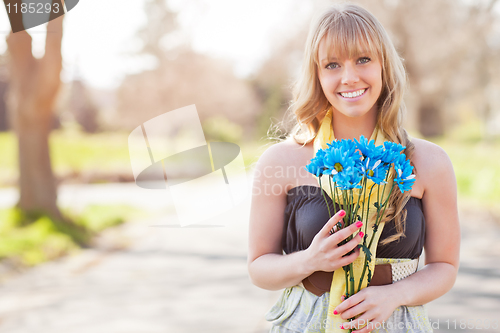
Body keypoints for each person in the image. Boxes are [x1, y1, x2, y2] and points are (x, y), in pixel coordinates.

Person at [247, 3, 460, 333]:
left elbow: (445, 266)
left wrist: (395, 295)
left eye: (363, 59)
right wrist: (309, 260)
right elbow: (260, 268)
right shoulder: (280, 161)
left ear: (383, 66)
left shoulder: (429, 162)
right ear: (317, 75)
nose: (349, 77)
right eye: (332, 64)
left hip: (397, 322)